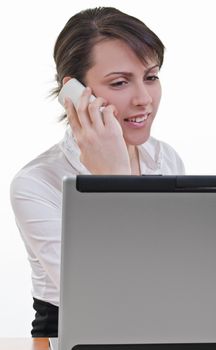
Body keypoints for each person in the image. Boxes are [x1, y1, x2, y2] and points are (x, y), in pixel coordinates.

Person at [10, 6, 185, 337]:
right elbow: (105, 296)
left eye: (151, 77)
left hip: (156, 332)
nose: (144, 99)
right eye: (120, 82)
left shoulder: (165, 160)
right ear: (73, 93)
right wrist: (113, 179)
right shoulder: (35, 183)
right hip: (76, 338)